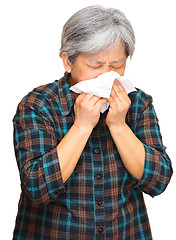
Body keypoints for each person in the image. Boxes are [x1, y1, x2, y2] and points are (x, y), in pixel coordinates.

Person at [13, 5, 173, 240]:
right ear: (68, 62)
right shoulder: (38, 105)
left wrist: (119, 125)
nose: (107, 75)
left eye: (116, 65)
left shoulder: (138, 103)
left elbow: (157, 181)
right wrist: (81, 126)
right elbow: (37, 188)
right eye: (96, 66)